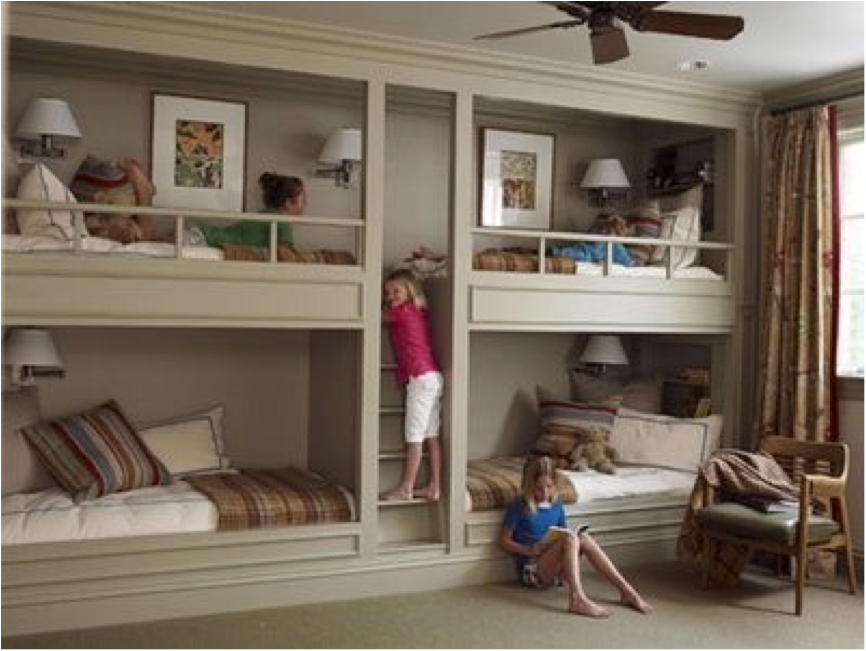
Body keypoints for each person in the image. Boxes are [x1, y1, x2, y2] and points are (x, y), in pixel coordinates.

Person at [500, 455, 652, 618]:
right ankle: (577, 599)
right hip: (532, 572)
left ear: (554, 484)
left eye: (549, 487)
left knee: (583, 538)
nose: (544, 493)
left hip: (556, 572)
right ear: (529, 485)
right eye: (538, 488)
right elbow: (503, 541)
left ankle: (627, 591)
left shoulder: (556, 505)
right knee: (570, 539)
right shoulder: (518, 506)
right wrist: (528, 550)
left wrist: (565, 540)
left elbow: (563, 534)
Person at [379, 269, 443, 502]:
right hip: (432, 376)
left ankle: (406, 487)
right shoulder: (417, 311)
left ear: (410, 290)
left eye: (396, 291)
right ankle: (434, 486)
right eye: (387, 294)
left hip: (420, 378)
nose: (390, 297)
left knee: (414, 436)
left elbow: (374, 316)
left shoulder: (403, 311)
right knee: (431, 435)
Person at [197, 173, 305, 247]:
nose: (305, 205)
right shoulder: (282, 222)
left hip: (203, 233)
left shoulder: (266, 214)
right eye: (303, 200)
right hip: (203, 240)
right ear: (289, 203)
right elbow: (286, 256)